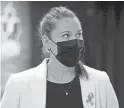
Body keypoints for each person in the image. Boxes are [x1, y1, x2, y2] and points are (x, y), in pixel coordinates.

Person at [1, 6, 119, 108]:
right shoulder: (18, 84)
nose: (75, 41)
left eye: (78, 34)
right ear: (47, 42)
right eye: (66, 35)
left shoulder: (100, 81)